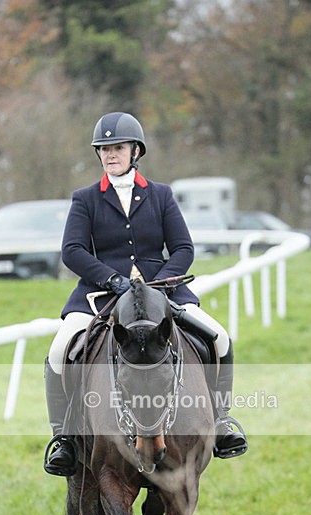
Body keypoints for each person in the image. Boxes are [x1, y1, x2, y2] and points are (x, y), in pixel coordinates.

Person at [44, 111, 247, 476]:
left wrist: (162, 284)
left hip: (163, 293)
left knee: (219, 338)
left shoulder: (161, 195)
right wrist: (111, 280)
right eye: (104, 149)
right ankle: (64, 439)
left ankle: (221, 422)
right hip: (101, 296)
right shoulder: (85, 199)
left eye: (118, 147)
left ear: (135, 150)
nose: (110, 154)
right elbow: (72, 251)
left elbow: (183, 248)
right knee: (59, 350)